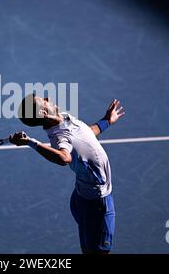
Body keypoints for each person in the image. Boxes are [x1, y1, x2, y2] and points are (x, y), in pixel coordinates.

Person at [9, 94, 125, 254]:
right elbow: (64, 158)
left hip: (81, 196)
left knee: (90, 247)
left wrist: (106, 121)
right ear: (43, 113)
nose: (48, 98)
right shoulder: (59, 137)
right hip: (97, 204)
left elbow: (86, 134)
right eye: (44, 101)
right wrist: (31, 142)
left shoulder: (65, 118)